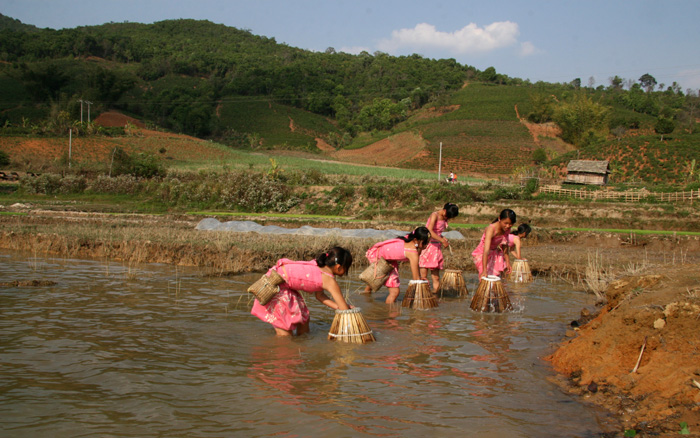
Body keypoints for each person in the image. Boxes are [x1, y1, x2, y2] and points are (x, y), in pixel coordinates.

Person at [251, 247, 353, 336]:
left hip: (284, 285)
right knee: (285, 331)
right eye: (346, 268)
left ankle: (301, 343)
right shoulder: (330, 281)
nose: (346, 272)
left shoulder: (320, 267)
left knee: (303, 319)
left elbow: (320, 296)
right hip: (276, 286)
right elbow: (344, 309)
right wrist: (347, 308)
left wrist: (339, 306)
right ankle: (283, 350)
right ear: (338, 267)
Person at [362, 227, 431, 304]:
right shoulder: (412, 253)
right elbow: (416, 279)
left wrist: (420, 277)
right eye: (424, 243)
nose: (426, 245)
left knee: (376, 277)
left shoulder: (408, 239)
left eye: (428, 242)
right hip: (378, 258)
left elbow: (416, 267)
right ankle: (389, 313)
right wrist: (421, 282)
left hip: (384, 256)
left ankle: (366, 293)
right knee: (395, 292)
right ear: (415, 240)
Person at [419, 203, 459, 294]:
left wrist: (442, 237)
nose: (447, 218)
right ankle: (424, 294)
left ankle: (435, 295)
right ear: (444, 210)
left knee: (436, 277)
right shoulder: (435, 215)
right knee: (423, 275)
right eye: (447, 216)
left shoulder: (444, 217)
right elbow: (429, 231)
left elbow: (437, 232)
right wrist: (441, 239)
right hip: (427, 246)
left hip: (436, 247)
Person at [471, 209, 517, 278]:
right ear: (499, 219)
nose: (508, 226)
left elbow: (505, 246)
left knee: (496, 277)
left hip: (494, 253)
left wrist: (508, 262)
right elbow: (486, 251)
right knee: (485, 277)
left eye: (510, 224)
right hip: (482, 254)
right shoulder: (491, 229)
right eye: (505, 223)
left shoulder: (507, 229)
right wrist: (484, 270)